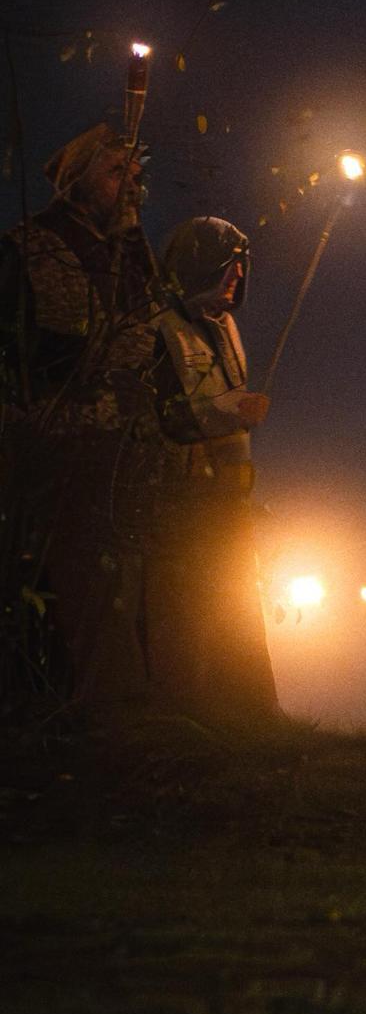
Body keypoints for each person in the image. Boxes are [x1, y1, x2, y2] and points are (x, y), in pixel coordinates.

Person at [0, 121, 176, 718]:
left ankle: (135, 709)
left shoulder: (134, 259)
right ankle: (96, 711)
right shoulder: (32, 249)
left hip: (127, 453)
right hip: (57, 453)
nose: (132, 185)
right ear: (76, 181)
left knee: (134, 582)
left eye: (137, 173)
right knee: (78, 582)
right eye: (115, 172)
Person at [145, 218, 279, 725]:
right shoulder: (162, 329)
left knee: (236, 604)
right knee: (189, 608)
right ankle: (187, 713)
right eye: (228, 264)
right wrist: (232, 411)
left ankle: (247, 713)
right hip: (184, 496)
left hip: (229, 494)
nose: (237, 275)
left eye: (241, 266)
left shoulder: (225, 327)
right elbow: (167, 413)